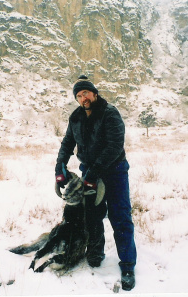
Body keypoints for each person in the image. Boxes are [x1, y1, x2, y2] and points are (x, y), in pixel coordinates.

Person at [55, 75, 137, 291]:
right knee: (92, 214)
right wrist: (59, 167)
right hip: (89, 172)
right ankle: (96, 253)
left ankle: (128, 265)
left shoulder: (110, 113)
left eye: (86, 93)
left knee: (120, 217)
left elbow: (115, 146)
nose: (83, 98)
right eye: (79, 95)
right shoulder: (76, 118)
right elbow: (67, 143)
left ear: (95, 93)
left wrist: (93, 173)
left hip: (115, 171)